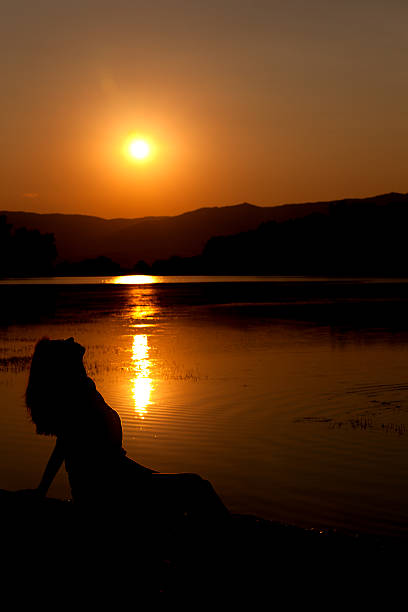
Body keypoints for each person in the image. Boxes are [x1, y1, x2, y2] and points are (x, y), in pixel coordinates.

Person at [25, 337, 230, 524]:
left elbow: (62, 447)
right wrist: (42, 491)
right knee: (195, 486)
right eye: (63, 343)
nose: (69, 339)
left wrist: (42, 489)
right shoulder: (76, 400)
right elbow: (64, 449)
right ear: (64, 365)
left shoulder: (80, 391)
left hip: (119, 473)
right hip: (110, 486)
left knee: (193, 486)